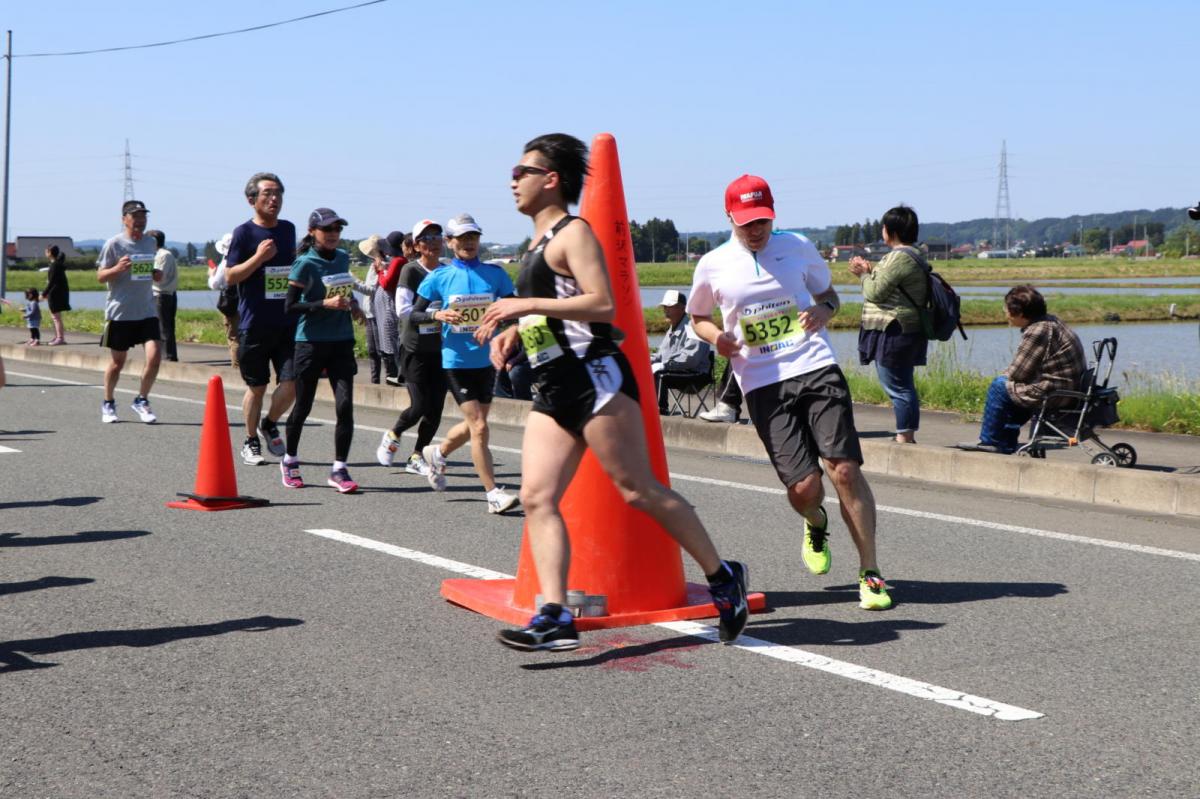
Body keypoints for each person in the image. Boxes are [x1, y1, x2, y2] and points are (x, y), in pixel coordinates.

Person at [477, 133, 748, 651]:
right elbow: (552, 304)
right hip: (553, 385)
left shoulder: (571, 232)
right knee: (536, 497)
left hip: (594, 377)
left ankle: (722, 576)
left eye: (523, 171)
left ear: (551, 179)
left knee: (637, 490)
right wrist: (517, 328)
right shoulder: (535, 244)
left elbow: (602, 303)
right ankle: (555, 615)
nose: (513, 179)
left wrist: (521, 304)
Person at [688, 174, 892, 611]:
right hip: (762, 382)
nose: (755, 229)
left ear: (772, 214)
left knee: (844, 470)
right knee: (804, 487)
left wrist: (822, 310)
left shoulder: (798, 246)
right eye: (746, 222)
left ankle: (870, 572)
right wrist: (715, 339)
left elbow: (830, 297)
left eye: (761, 220)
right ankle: (815, 521)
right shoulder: (713, 264)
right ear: (729, 217)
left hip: (815, 365)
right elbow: (698, 317)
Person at [411, 213, 518, 514]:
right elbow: (413, 314)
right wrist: (437, 315)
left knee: (476, 424)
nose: (469, 242)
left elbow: (513, 312)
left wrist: (503, 321)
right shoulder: (439, 277)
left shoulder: (495, 274)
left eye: (473, 236)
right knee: (481, 427)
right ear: (449, 242)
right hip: (456, 360)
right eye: (461, 238)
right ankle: (493, 493)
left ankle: (438, 452)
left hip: (487, 359)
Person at [280, 208, 362, 493]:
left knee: (345, 406)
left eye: (337, 229)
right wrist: (322, 305)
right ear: (313, 231)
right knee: (303, 405)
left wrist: (353, 305)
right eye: (327, 230)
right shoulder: (304, 263)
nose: (333, 235)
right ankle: (290, 460)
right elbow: (289, 306)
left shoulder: (341, 258)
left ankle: (339, 469)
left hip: (341, 340)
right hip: (311, 342)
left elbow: (342, 291)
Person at [956, 285, 1085, 454]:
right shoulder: (1050, 321)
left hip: (1056, 392)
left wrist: (1002, 378)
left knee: (999, 386)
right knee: (1011, 388)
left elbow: (1018, 373)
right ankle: (1006, 442)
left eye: (1007, 309)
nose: (1005, 312)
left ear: (1020, 313)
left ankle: (990, 441)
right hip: (1067, 387)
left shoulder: (1037, 331)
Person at [224, 172, 297, 466]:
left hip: (287, 321)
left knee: (293, 383)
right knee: (256, 387)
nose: (274, 198)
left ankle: (269, 422)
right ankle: (250, 441)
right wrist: (258, 258)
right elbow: (229, 276)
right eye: (267, 193)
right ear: (251, 199)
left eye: (278, 192)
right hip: (254, 323)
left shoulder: (289, 229)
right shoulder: (243, 233)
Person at [848, 205, 929, 444]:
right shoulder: (908, 255)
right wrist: (870, 270)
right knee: (900, 382)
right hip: (901, 328)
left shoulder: (900, 257)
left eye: (884, 227)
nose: (882, 230)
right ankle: (906, 433)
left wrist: (862, 275)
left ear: (890, 230)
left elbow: (875, 292)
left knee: (897, 384)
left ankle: (905, 436)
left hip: (896, 328)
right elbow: (888, 284)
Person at [376, 220, 447, 478]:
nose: (434, 242)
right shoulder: (410, 271)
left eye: (437, 236)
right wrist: (436, 314)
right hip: (414, 347)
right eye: (426, 238)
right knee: (419, 406)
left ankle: (417, 455)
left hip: (441, 349)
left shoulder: (447, 271)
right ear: (416, 245)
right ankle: (393, 435)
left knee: (436, 408)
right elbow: (403, 311)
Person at [95, 199, 163, 424]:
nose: (140, 221)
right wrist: (117, 269)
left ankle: (142, 400)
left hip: (146, 309)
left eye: (143, 217)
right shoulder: (113, 244)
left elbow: (147, 267)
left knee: (154, 357)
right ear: (124, 219)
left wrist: (154, 274)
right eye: (135, 216)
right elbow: (100, 276)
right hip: (120, 312)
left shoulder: (150, 242)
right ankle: (108, 402)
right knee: (118, 363)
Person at [649, 289, 712, 414]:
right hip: (680, 371)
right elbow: (662, 354)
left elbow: (691, 359)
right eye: (665, 307)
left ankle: (660, 410)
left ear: (682, 308)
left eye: (670, 307)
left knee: (659, 375)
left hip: (696, 374)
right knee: (646, 371)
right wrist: (646, 360)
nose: (665, 310)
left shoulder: (693, 328)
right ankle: (647, 408)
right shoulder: (672, 328)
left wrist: (663, 365)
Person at [376, 230, 409, 386]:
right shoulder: (399, 261)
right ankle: (395, 374)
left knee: (392, 340)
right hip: (390, 307)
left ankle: (395, 375)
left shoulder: (398, 261)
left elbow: (386, 283)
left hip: (391, 308)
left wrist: (380, 271)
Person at [354, 234, 384, 383]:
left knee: (377, 349)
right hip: (371, 312)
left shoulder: (377, 266)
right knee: (373, 350)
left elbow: (370, 290)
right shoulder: (376, 264)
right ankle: (375, 380)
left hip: (375, 312)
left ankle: (377, 379)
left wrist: (352, 281)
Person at [207, 233, 240, 368]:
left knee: (234, 336)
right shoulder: (246, 258)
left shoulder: (226, 263)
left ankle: (237, 366)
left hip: (231, 303)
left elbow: (215, 284)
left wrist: (211, 275)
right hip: (246, 301)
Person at [148, 230, 179, 362]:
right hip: (164, 294)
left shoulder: (163, 255)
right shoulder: (160, 254)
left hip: (162, 294)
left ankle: (169, 356)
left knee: (164, 327)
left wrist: (141, 268)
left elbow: (159, 277)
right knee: (164, 326)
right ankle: (165, 355)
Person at [42, 245, 70, 345]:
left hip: (55, 294)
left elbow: (52, 282)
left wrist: (43, 294)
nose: (45, 253)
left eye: (46, 251)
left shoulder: (55, 265)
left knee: (56, 317)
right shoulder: (56, 264)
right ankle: (58, 337)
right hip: (56, 293)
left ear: (50, 252)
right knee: (55, 317)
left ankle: (60, 338)